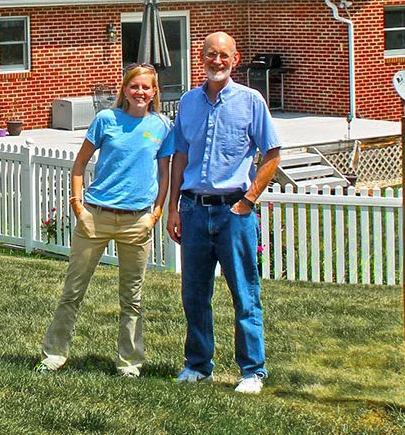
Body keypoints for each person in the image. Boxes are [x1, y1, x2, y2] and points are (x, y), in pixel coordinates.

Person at [37, 64, 174, 377]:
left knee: (132, 298)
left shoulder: (161, 126)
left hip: (137, 221)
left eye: (146, 88)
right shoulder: (106, 120)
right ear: (124, 90)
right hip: (95, 218)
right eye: (134, 87)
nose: (140, 92)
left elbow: (164, 172)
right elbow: (79, 164)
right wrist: (78, 207)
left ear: (154, 93)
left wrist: (155, 212)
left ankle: (129, 362)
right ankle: (54, 355)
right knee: (72, 291)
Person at [167, 32, 281, 394]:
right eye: (210, 55)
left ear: (235, 59)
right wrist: (173, 208)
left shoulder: (251, 101)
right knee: (194, 294)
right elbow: (180, 156)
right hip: (194, 211)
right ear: (201, 58)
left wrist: (248, 199)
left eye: (224, 56)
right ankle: (198, 365)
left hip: (234, 212)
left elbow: (272, 154)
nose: (217, 62)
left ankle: (252, 371)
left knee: (244, 294)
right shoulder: (188, 102)